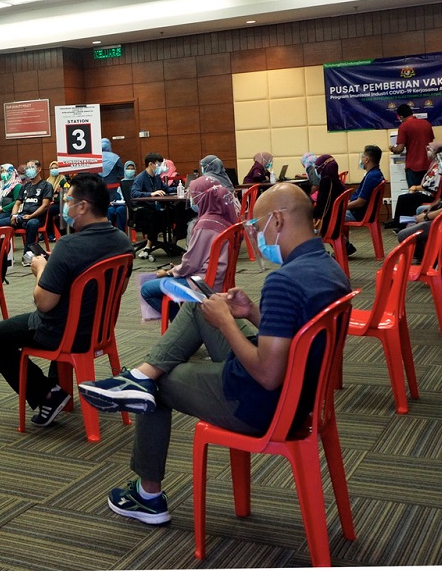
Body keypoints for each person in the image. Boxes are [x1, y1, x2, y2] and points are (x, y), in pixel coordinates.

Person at [77, 183, 351, 525]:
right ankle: (140, 377)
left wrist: (226, 325)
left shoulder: (285, 281)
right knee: (199, 305)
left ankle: (147, 496)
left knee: (156, 388)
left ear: (277, 221)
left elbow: (268, 375)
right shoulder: (328, 266)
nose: (256, 235)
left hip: (262, 403)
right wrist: (250, 312)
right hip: (302, 395)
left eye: (257, 225)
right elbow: (302, 335)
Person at [0, 173, 133, 427]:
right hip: (99, 329)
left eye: (69, 200)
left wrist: (41, 269)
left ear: (83, 206)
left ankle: (48, 393)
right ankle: (56, 391)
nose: (66, 206)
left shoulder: (69, 246)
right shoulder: (123, 242)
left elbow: (44, 303)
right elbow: (119, 288)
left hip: (63, 332)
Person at [140, 176, 238, 320]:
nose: (192, 201)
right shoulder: (224, 217)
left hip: (202, 284)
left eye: (193, 196)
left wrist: (170, 272)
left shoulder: (205, 225)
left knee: (146, 289)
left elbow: (191, 263)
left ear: (203, 198)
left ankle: (182, 323)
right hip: (220, 279)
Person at [385, 141, 442, 228]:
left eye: (430, 150)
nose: (428, 152)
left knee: (404, 198)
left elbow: (431, 186)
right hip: (427, 192)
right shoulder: (434, 164)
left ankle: (400, 225)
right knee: (406, 197)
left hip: (429, 194)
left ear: (436, 152)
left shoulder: (439, 167)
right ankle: (401, 222)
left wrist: (416, 188)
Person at [131, 153, 177, 260]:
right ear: (151, 164)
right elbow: (134, 193)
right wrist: (150, 194)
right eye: (158, 164)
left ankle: (172, 242)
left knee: (173, 211)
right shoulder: (140, 178)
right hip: (143, 210)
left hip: (155, 208)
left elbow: (166, 189)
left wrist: (181, 189)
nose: (161, 167)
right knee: (157, 215)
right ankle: (148, 246)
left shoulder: (156, 177)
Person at [9, 159, 53, 246]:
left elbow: (44, 206)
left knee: (31, 224)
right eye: (28, 168)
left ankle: (28, 254)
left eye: (32, 167)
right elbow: (17, 203)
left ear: (39, 169)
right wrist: (14, 215)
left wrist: (31, 216)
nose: (29, 170)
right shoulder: (25, 186)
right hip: (22, 216)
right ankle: (5, 256)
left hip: (36, 218)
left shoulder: (46, 186)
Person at [390, 104, 435, 187]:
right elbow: (431, 142)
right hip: (429, 165)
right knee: (426, 193)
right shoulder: (426, 124)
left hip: (413, 166)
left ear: (401, 117)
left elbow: (399, 149)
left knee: (413, 195)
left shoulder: (403, 126)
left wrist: (392, 148)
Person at [310, 154, 345, 235]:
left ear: (322, 167)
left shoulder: (326, 182)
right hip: (336, 220)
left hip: (327, 223)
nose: (316, 170)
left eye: (316, 167)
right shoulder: (337, 182)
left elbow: (321, 207)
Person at [45, 160, 69, 241]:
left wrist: (54, 199)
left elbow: (61, 195)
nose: (54, 170)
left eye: (56, 168)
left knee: (50, 211)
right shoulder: (48, 180)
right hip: (50, 202)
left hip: (61, 203)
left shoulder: (63, 179)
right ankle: (45, 233)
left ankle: (50, 234)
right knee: (43, 209)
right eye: (52, 168)